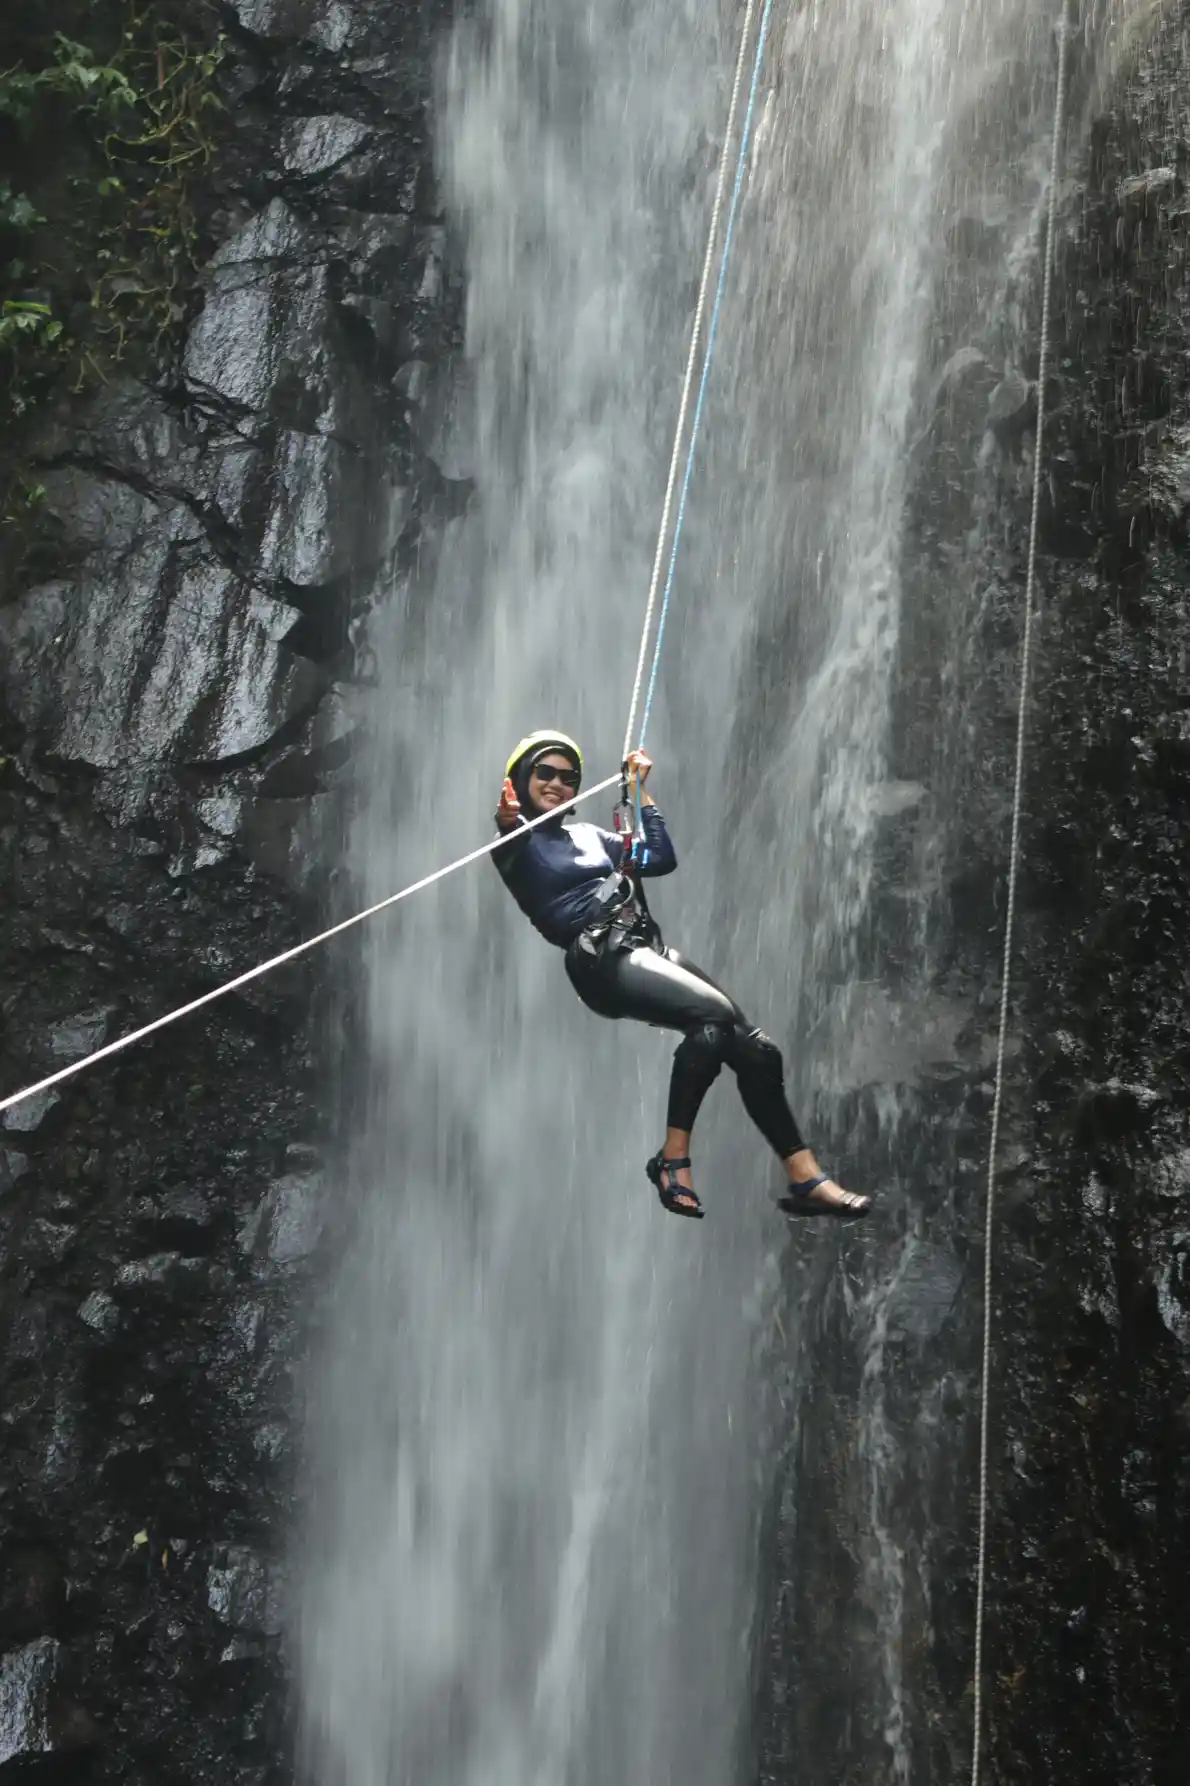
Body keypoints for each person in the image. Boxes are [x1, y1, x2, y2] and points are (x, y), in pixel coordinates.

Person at [493, 729, 870, 1221]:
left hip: (645, 948)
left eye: (569, 777)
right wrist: (507, 820)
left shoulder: (589, 836)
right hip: (599, 960)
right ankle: (673, 1160)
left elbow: (660, 858)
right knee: (712, 1014)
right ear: (521, 780)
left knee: (753, 1048)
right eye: (545, 773)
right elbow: (507, 831)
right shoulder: (517, 841)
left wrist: (639, 792)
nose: (558, 783)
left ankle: (804, 1176)